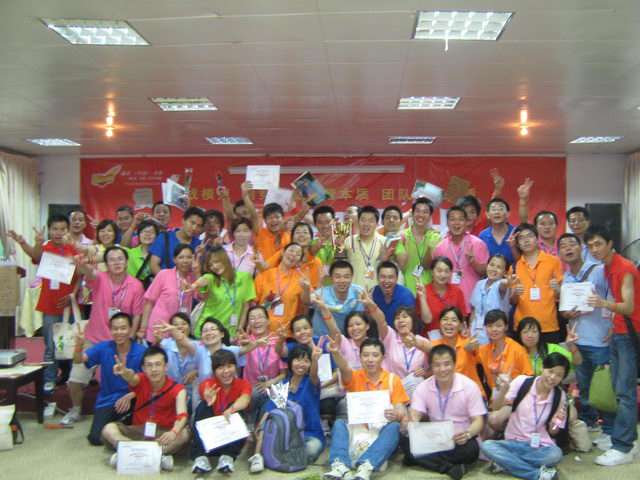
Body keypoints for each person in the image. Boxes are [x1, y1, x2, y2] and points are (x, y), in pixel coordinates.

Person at [62, 246, 145, 424]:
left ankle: (115, 412)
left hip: (121, 341)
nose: (116, 263)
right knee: (76, 377)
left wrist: (131, 337)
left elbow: (137, 314)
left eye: (120, 259)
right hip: (94, 338)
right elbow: (88, 272)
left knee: (120, 378)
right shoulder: (100, 278)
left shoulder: (136, 285)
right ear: (106, 264)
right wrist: (80, 264)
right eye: (112, 260)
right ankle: (75, 410)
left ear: (127, 262)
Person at [584, 225, 640, 466]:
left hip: (629, 334)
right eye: (590, 246)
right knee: (619, 389)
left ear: (610, 243)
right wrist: (612, 325)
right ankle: (629, 439)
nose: (594, 250)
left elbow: (628, 306)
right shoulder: (608, 267)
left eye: (598, 244)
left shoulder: (624, 268)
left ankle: (623, 447)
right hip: (619, 332)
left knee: (625, 392)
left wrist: (603, 304)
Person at [9, 214, 79, 393]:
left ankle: (74, 379)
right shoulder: (45, 247)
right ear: (49, 230)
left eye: (62, 229)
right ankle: (49, 378)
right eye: (55, 229)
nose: (58, 233)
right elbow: (35, 255)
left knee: (73, 344)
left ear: (68, 230)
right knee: (50, 346)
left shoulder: (74, 248)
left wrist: (73, 294)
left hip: (70, 305)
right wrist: (29, 242)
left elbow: (80, 275)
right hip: (49, 305)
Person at [323, 337, 409, 480]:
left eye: (375, 355)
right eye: (366, 355)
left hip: (380, 430)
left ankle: (366, 466)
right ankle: (339, 465)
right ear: (360, 357)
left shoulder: (393, 380)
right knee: (339, 423)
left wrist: (395, 415)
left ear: (383, 357)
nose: (370, 359)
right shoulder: (355, 376)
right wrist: (336, 353)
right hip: (357, 428)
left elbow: (401, 410)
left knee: (394, 427)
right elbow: (344, 367)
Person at [557, 233, 614, 440]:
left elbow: (613, 295)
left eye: (572, 244)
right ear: (560, 253)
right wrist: (567, 314)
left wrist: (613, 323)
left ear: (581, 248)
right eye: (563, 246)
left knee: (605, 387)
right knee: (584, 386)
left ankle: (610, 430)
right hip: (578, 341)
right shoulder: (566, 278)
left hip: (600, 339)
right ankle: (591, 423)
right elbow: (565, 310)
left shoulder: (599, 270)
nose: (568, 248)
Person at [400, 344, 486, 480]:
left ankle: (419, 459)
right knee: (405, 440)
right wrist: (413, 423)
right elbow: (416, 413)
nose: (442, 369)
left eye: (446, 364)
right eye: (437, 365)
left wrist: (468, 434)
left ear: (454, 364)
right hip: (433, 437)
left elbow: (478, 420)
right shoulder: (423, 387)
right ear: (431, 367)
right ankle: (447, 467)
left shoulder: (469, 386)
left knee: (471, 450)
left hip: (458, 438)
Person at [482, 353, 571, 480]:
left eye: (559, 375)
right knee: (487, 446)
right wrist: (503, 391)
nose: (552, 377)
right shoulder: (522, 382)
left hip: (540, 445)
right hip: (514, 442)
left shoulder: (560, 395)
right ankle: (536, 474)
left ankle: (507, 463)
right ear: (542, 367)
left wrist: (554, 423)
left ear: (562, 378)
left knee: (556, 455)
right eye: (550, 371)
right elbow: (496, 407)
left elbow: (553, 431)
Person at [101, 345, 190, 472]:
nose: (154, 369)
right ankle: (156, 456)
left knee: (184, 434)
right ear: (143, 368)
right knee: (108, 429)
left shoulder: (178, 389)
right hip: (138, 430)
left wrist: (174, 432)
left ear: (166, 366)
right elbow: (131, 377)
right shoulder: (141, 380)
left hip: (162, 433)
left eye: (158, 364)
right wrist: (125, 373)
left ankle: (128, 454)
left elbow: (182, 415)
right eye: (149, 365)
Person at [69, 312, 145, 445]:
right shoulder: (103, 347)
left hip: (134, 398)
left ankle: (124, 440)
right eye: (115, 329)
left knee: (135, 430)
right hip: (108, 399)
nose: (119, 332)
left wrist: (130, 395)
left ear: (130, 329)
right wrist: (79, 346)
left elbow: (148, 382)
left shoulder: (142, 351)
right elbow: (78, 360)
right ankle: (121, 437)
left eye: (123, 328)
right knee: (95, 438)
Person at [250, 343, 326, 473]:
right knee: (267, 421)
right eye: (297, 360)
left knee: (311, 450)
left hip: (309, 434)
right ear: (290, 362)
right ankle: (257, 456)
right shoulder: (282, 385)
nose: (301, 364)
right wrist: (260, 426)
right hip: (285, 434)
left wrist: (315, 360)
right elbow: (269, 410)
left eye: (306, 361)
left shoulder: (310, 383)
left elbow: (313, 375)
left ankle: (277, 457)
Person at [191, 349, 252, 474]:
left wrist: (232, 409)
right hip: (210, 438)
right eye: (221, 367)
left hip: (231, 439)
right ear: (214, 371)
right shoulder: (209, 383)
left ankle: (227, 458)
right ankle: (201, 458)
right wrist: (207, 396)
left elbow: (245, 399)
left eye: (230, 366)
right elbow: (204, 390)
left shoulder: (243, 384)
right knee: (203, 406)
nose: (226, 371)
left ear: (235, 367)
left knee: (237, 410)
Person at [186, 246, 255, 338]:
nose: (214, 266)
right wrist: (192, 286)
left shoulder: (244, 277)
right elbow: (203, 281)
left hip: (229, 333)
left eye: (216, 261)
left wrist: (239, 329)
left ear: (225, 259)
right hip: (207, 331)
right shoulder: (212, 278)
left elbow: (246, 306)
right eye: (210, 265)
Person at [512, 223, 563, 343]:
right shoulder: (515, 266)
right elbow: (513, 301)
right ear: (517, 244)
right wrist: (515, 294)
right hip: (523, 326)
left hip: (548, 324)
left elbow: (559, 295)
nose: (526, 241)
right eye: (521, 238)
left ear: (537, 239)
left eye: (529, 236)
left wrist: (557, 289)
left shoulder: (553, 261)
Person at [139, 244, 199, 343]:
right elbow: (149, 302)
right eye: (181, 257)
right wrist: (142, 328)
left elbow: (201, 296)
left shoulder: (193, 278)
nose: (185, 261)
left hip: (181, 328)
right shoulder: (164, 274)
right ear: (174, 260)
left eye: (189, 257)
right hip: (160, 327)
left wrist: (197, 273)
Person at [433, 206, 489, 308]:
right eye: (452, 219)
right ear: (447, 223)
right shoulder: (440, 248)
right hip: (447, 306)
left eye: (460, 219)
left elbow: (486, 273)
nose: (456, 223)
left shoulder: (478, 244)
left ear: (466, 222)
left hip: (472, 304)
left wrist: (474, 263)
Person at [242, 306, 287, 429]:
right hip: (252, 388)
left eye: (260, 317)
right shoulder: (245, 342)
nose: (256, 321)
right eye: (252, 318)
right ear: (248, 324)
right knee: (253, 394)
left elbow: (284, 374)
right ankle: (249, 424)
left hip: (273, 386)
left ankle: (263, 429)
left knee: (274, 401)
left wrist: (270, 383)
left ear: (268, 321)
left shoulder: (277, 341)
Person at [474, 309, 533, 398]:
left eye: (498, 326)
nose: (494, 329)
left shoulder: (517, 349)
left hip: (514, 398)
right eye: (489, 326)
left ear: (506, 327)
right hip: (495, 399)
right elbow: (465, 359)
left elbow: (529, 377)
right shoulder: (484, 350)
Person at [430, 306, 485, 395]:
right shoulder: (434, 346)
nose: (449, 323)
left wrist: (472, 349)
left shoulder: (469, 342)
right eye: (445, 319)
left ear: (461, 325)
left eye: (454, 320)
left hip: (472, 394)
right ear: (439, 323)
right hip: (446, 396)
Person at [394, 198, 442, 295]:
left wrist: (430, 248)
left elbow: (430, 266)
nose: (421, 215)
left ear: (430, 216)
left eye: (425, 212)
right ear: (412, 214)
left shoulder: (435, 237)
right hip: (407, 293)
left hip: (429, 293)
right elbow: (402, 265)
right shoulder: (402, 237)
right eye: (418, 211)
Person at [254, 242, 306, 332]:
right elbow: (253, 303)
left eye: (298, 254)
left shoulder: (302, 279)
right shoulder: (265, 274)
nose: (293, 254)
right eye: (291, 250)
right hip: (262, 331)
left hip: (287, 332)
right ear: (282, 253)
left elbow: (305, 305)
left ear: (299, 261)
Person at [371, 302, 429, 381]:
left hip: (417, 386)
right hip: (392, 386)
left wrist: (426, 373)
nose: (400, 320)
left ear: (413, 320)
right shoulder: (391, 337)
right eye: (397, 318)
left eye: (405, 317)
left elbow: (435, 360)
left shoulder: (423, 341)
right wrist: (371, 305)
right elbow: (381, 321)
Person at [152, 313, 199, 406]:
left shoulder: (197, 345)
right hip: (169, 392)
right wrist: (157, 342)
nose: (180, 327)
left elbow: (207, 364)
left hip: (193, 392)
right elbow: (154, 358)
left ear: (190, 327)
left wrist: (196, 371)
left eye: (183, 323)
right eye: (175, 324)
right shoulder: (165, 344)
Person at [310, 260, 365, 337]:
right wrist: (306, 290)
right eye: (338, 277)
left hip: (347, 339)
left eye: (346, 277)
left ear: (351, 277)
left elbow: (360, 317)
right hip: (321, 339)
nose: (342, 281)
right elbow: (307, 301)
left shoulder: (358, 291)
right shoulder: (323, 293)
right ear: (331, 278)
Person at [468, 254, 515, 345]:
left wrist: (508, 282)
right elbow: (474, 310)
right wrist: (470, 328)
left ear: (505, 272)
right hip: (475, 333)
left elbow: (503, 284)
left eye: (499, 267)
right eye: (492, 265)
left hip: (493, 335)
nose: (494, 269)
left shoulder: (501, 286)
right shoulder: (479, 284)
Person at [262, 221, 323, 289]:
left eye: (305, 232)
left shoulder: (316, 263)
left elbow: (315, 289)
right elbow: (264, 267)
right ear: (292, 239)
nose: (301, 235)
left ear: (311, 239)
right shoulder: (285, 253)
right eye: (297, 232)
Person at [341, 205, 387, 291]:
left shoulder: (385, 242)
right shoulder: (348, 241)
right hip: (354, 292)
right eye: (363, 220)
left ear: (377, 223)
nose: (366, 224)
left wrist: (385, 259)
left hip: (378, 293)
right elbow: (341, 266)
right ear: (358, 221)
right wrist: (339, 246)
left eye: (371, 221)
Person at [516, 317, 581, 375]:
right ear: (519, 335)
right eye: (525, 332)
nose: (530, 335)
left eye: (534, 331)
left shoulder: (552, 349)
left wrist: (571, 345)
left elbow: (578, 361)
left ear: (539, 334)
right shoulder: (516, 352)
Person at [423, 256, 467, 340]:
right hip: (430, 339)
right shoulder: (423, 292)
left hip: (453, 339)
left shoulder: (457, 292)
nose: (443, 275)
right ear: (432, 272)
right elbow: (424, 320)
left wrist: (464, 333)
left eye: (447, 271)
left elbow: (462, 319)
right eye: (439, 271)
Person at [149, 206, 205, 273]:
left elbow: (200, 269)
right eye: (192, 223)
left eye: (199, 226)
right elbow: (154, 265)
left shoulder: (199, 245)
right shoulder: (164, 238)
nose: (194, 228)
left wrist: (199, 257)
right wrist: (166, 279)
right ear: (183, 220)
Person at [371, 261, 415, 327]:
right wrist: (368, 305)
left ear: (397, 279)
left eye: (391, 277)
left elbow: (409, 325)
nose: (386, 281)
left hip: (401, 332)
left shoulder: (406, 295)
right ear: (377, 278)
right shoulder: (373, 293)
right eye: (382, 277)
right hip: (380, 332)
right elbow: (369, 321)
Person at [478, 197, 516, 265]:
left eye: (501, 209)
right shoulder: (482, 236)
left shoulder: (516, 232)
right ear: (487, 215)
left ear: (508, 214)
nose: (497, 212)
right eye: (494, 209)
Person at [125, 220, 159, 288]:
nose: (148, 234)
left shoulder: (159, 254)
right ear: (138, 235)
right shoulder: (129, 253)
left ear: (156, 236)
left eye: (152, 232)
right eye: (144, 231)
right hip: (135, 290)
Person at [309, 205, 337, 269]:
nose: (325, 226)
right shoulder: (311, 244)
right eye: (320, 222)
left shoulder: (343, 242)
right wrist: (316, 247)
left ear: (334, 222)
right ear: (315, 224)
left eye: (328, 222)